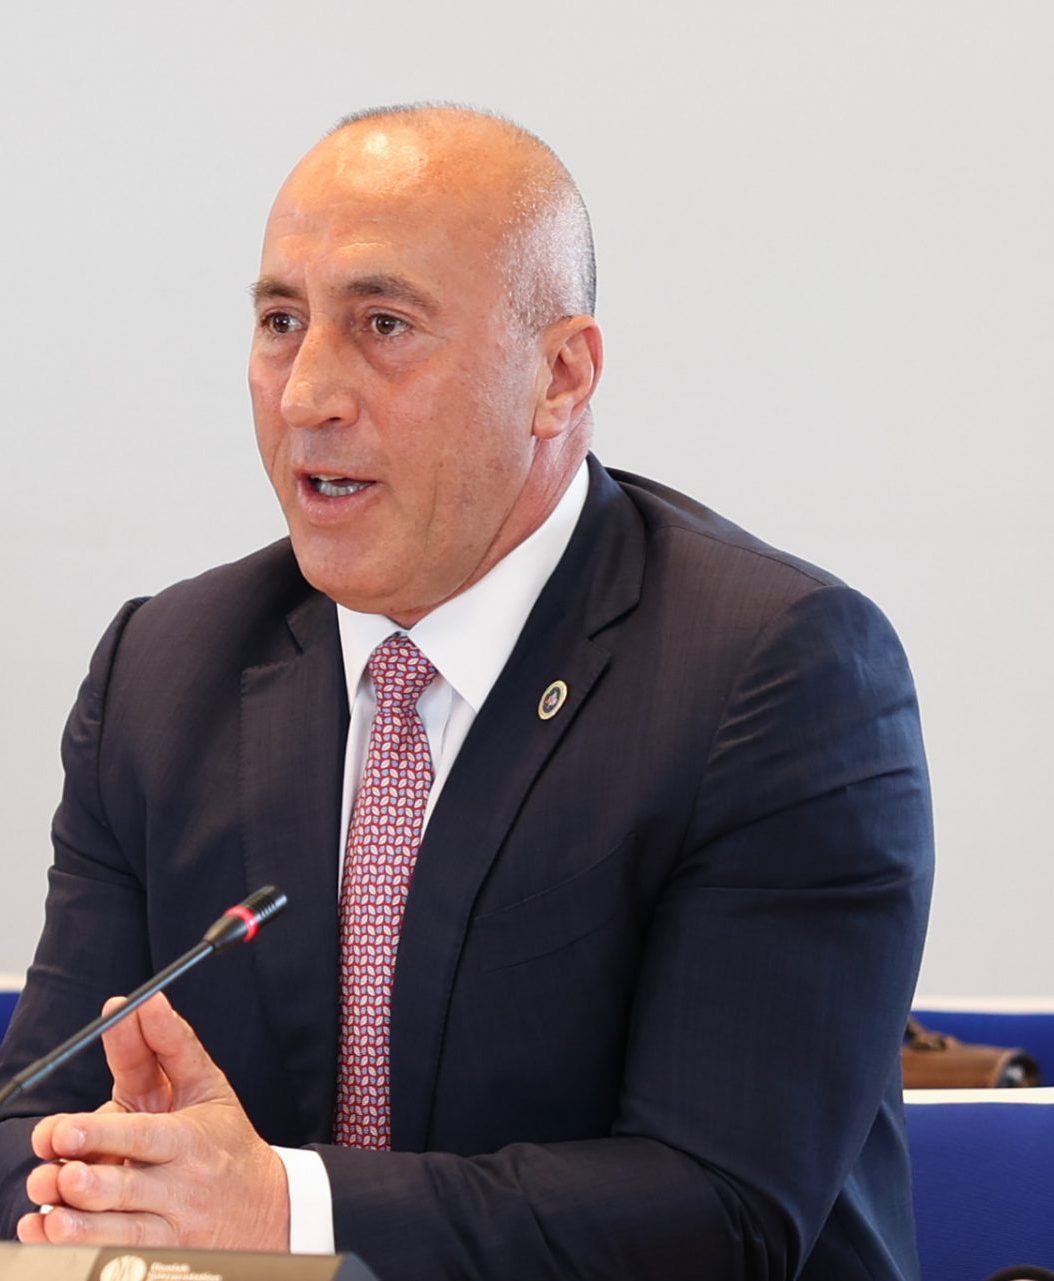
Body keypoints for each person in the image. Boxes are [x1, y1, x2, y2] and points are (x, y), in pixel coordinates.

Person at [0, 105, 933, 1279]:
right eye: (281, 321)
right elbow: (31, 1126)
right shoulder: (164, 670)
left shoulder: (771, 673)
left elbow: (719, 1213)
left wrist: (281, 1210)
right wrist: (109, 1180)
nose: (305, 394)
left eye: (383, 324)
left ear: (559, 376)